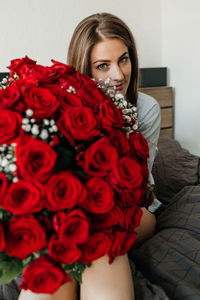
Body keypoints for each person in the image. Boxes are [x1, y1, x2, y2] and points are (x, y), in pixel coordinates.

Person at [19, 12, 161, 300]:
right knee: (65, 238)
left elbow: (137, 188)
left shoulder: (146, 109)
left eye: (123, 59)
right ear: (84, 68)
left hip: (135, 207)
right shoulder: (60, 107)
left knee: (103, 228)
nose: (119, 74)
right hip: (77, 206)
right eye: (102, 65)